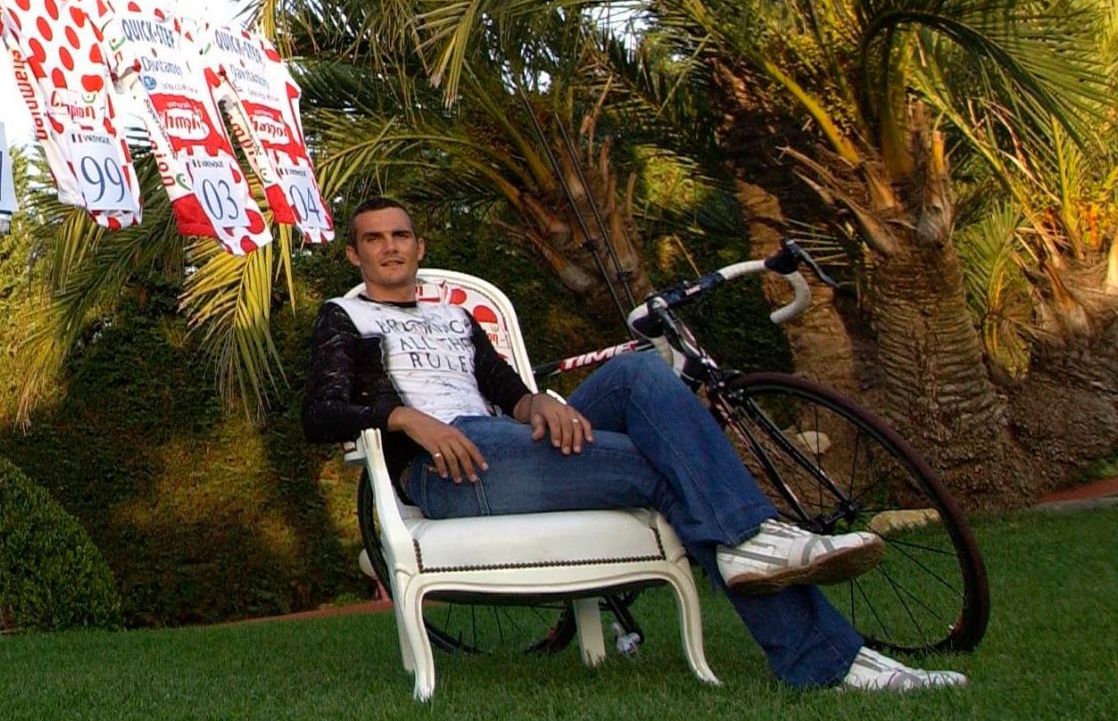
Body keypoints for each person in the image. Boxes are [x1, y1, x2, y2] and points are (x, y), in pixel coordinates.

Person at [303, 196, 966, 693]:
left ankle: (766, 569)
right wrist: (406, 420)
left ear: (419, 246)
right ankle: (803, 615)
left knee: (639, 370)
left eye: (399, 236)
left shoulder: (454, 317)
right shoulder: (346, 316)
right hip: (453, 469)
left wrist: (538, 403)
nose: (389, 248)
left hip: (511, 439)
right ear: (355, 254)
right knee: (669, 471)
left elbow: (510, 389)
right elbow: (320, 411)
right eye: (373, 239)